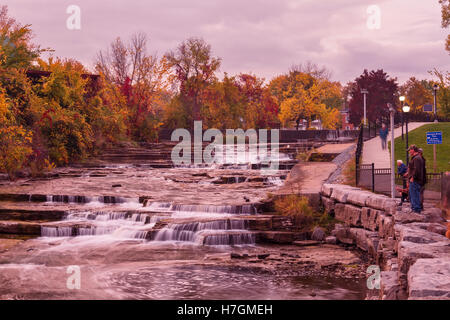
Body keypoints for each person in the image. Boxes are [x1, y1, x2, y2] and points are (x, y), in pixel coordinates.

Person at [406, 145, 425, 213]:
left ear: (413, 150)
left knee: (414, 195)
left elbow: (417, 169)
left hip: (415, 180)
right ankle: (414, 208)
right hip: (415, 180)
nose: (409, 152)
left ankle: (416, 210)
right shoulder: (417, 158)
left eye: (410, 150)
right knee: (413, 195)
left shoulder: (416, 158)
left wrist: (413, 177)